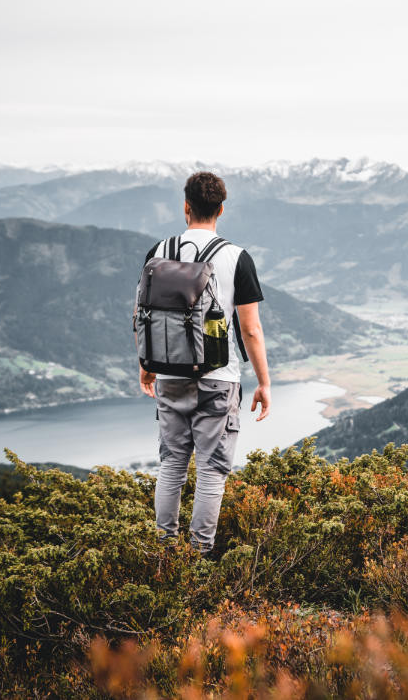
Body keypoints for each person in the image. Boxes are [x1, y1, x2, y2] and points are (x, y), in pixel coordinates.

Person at [138, 171, 271, 556]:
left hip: (169, 374)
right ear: (221, 210)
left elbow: (142, 313)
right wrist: (263, 383)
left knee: (171, 466)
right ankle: (198, 558)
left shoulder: (158, 252)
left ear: (186, 207)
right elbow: (251, 330)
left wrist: (147, 364)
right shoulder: (236, 258)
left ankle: (164, 552)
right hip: (219, 378)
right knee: (212, 471)